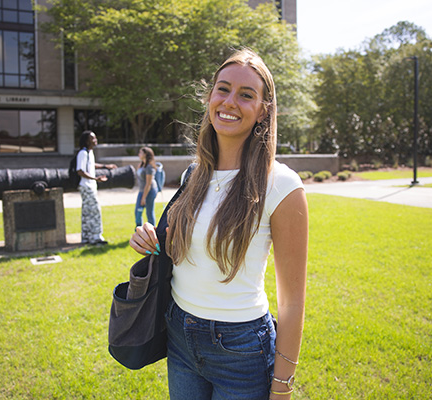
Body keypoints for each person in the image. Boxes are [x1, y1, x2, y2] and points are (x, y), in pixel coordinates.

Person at [129, 49, 309, 400]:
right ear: (210, 97)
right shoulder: (193, 174)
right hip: (179, 334)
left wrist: (283, 387)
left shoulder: (283, 185)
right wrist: (150, 238)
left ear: (263, 111)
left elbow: (292, 303)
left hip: (241, 351)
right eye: (222, 89)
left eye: (246, 95)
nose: (230, 102)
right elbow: (184, 256)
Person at [76, 130, 117, 245]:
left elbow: (90, 165)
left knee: (87, 213)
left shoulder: (89, 153)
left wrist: (105, 166)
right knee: (94, 212)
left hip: (90, 186)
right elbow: (80, 170)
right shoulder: (83, 153)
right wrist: (95, 179)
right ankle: (95, 238)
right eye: (92, 138)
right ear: (86, 141)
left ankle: (86, 238)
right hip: (87, 187)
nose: (95, 140)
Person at [135, 146, 159, 227]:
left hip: (150, 191)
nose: (139, 154)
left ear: (145, 154)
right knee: (137, 211)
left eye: (140, 152)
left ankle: (152, 232)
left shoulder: (149, 167)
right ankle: (138, 230)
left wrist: (144, 198)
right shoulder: (141, 165)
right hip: (142, 190)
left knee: (149, 212)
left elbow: (148, 184)